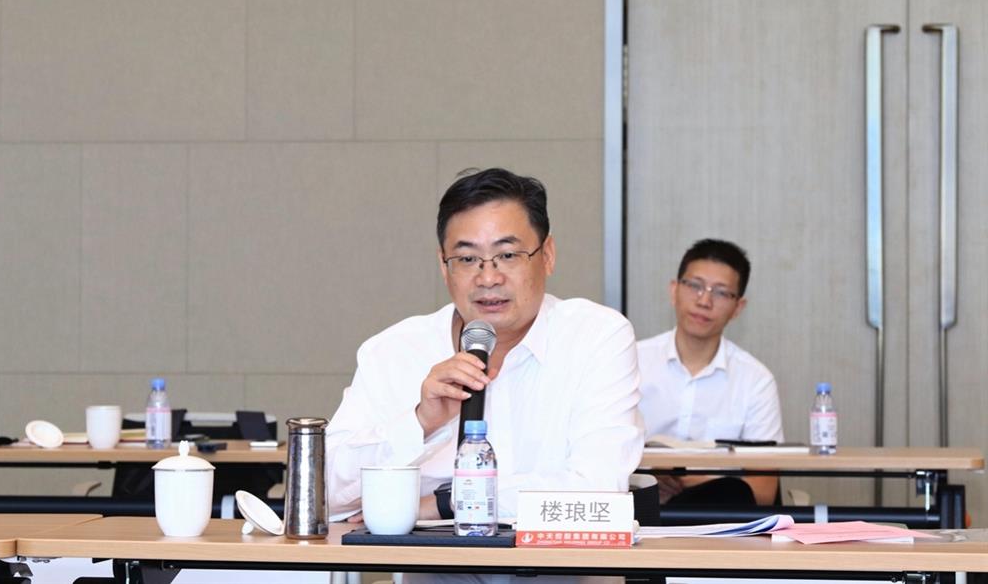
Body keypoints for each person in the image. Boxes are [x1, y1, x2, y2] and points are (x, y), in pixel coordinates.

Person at [326, 168, 643, 583]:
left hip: (564, 574)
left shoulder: (596, 337)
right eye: (467, 259)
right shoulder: (393, 351)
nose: (488, 277)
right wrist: (420, 422)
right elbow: (327, 494)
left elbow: (598, 490)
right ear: (444, 267)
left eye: (508, 255)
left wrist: (445, 503)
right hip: (436, 575)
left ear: (547, 255)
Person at [637, 239, 783, 506]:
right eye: (695, 286)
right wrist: (647, 476)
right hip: (637, 510)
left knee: (729, 494)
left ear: (738, 308)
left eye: (721, 293)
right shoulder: (631, 361)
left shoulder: (756, 380)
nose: (704, 301)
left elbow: (764, 492)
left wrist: (700, 480)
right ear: (674, 290)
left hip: (716, 514)